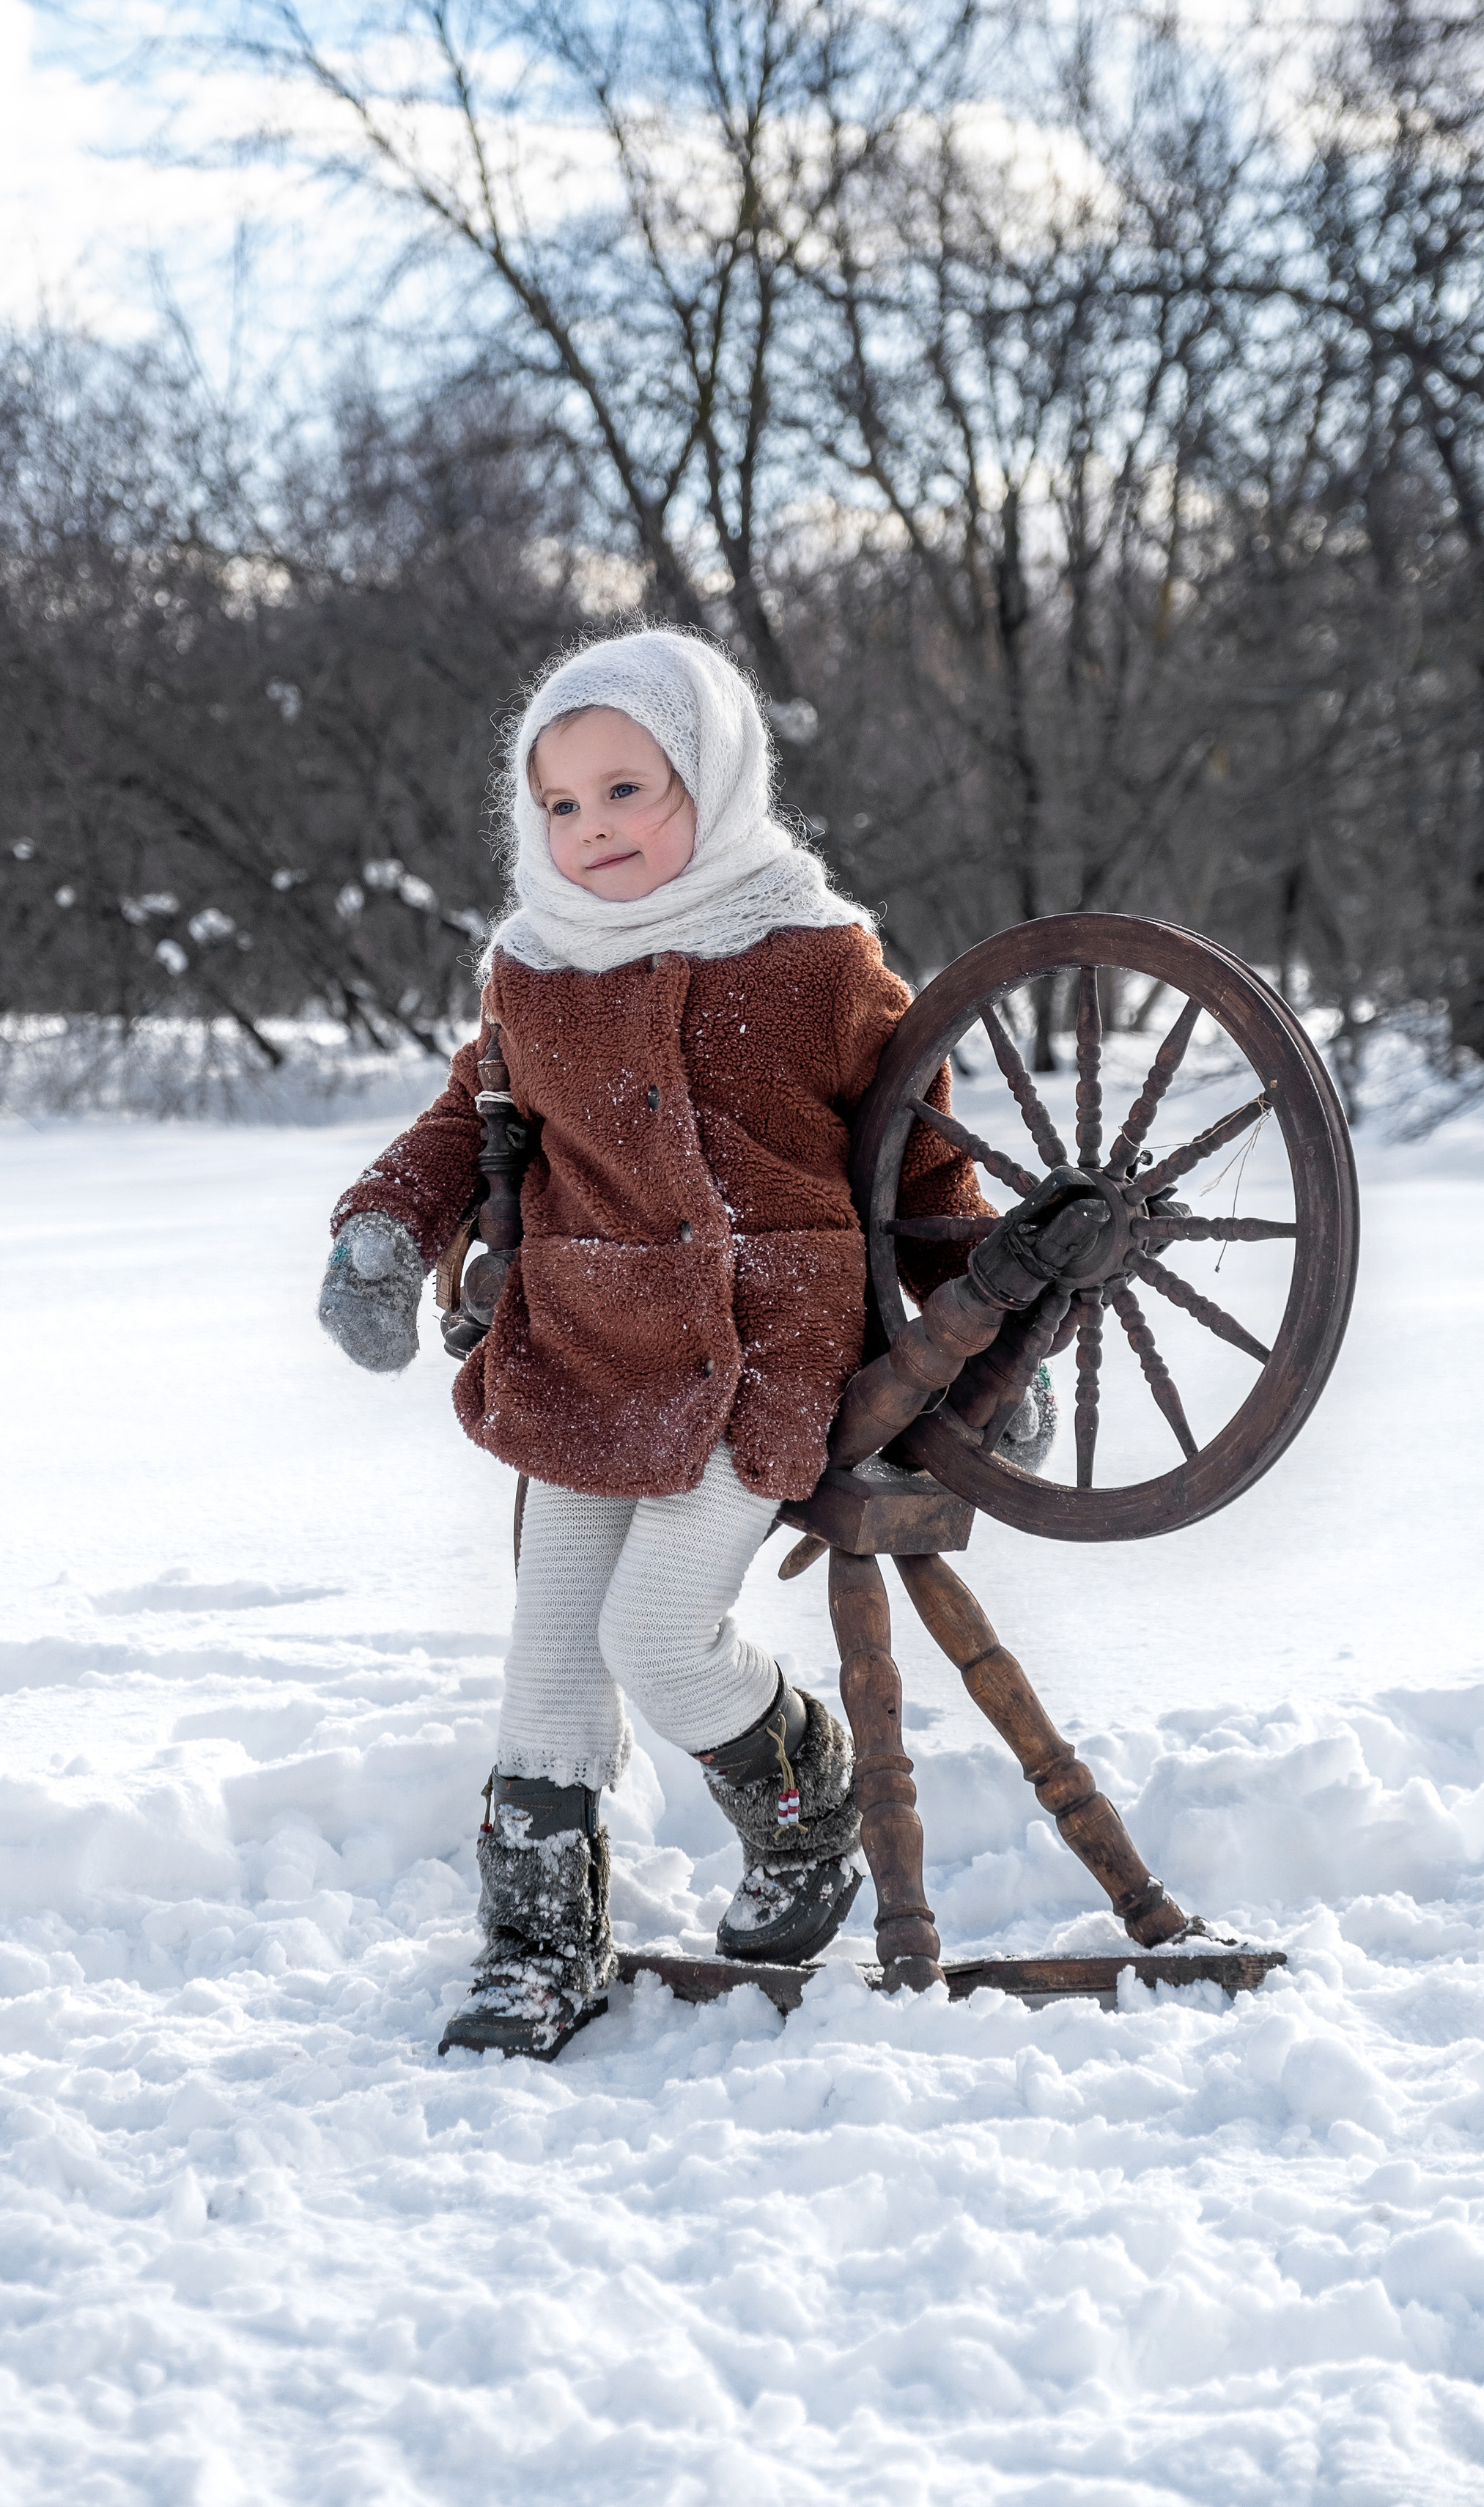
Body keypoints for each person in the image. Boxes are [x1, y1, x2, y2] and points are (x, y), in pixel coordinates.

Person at [318, 624, 1013, 2060]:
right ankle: (537, 1941)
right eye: (560, 803)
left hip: (758, 1347)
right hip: (580, 1345)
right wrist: (386, 1227)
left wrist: (995, 1348)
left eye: (628, 789)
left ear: (708, 769)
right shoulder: (535, 967)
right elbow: (468, 1118)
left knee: (655, 1635)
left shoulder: (815, 959)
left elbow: (925, 1166)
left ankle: (803, 1800)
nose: (593, 831)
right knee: (549, 1662)